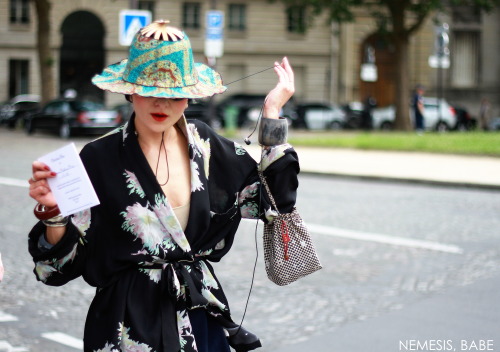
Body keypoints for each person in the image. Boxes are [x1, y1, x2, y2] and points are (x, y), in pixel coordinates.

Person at [27, 20, 299, 352]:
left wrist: (272, 114)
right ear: (129, 90)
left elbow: (272, 199)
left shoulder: (206, 144)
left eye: (174, 94)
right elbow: (61, 267)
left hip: (198, 314)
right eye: (150, 91)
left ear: (189, 96)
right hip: (127, 321)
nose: (162, 104)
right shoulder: (98, 157)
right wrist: (53, 214)